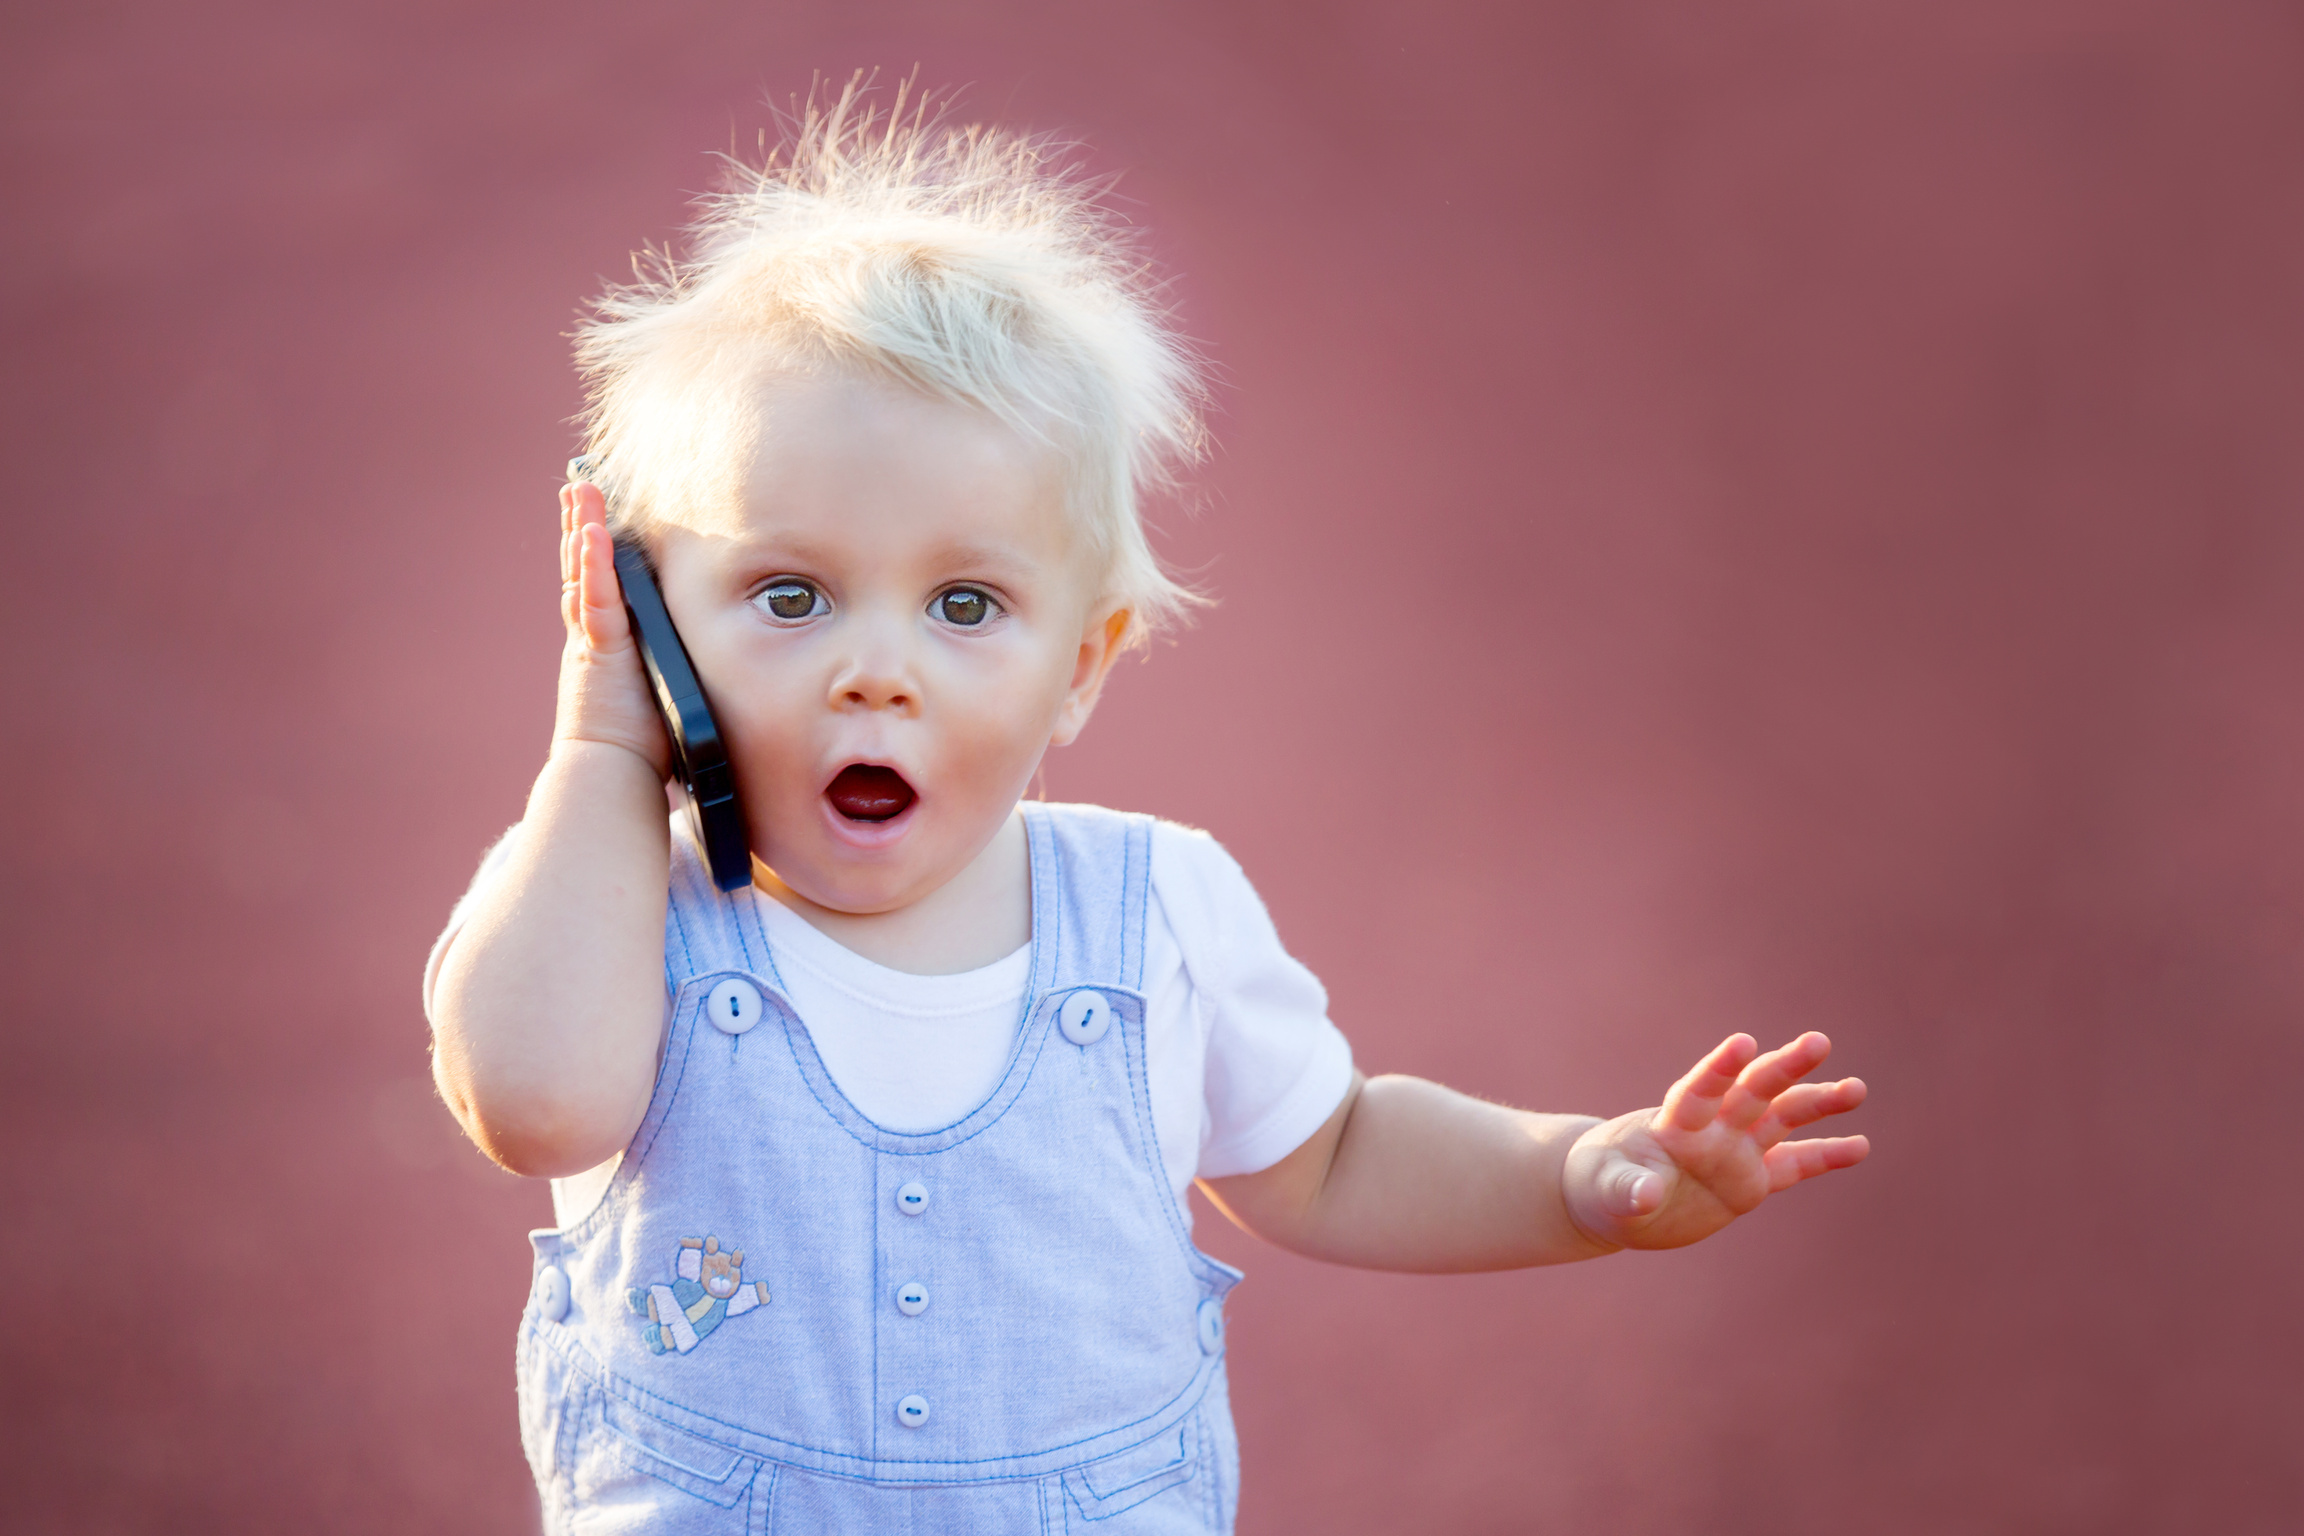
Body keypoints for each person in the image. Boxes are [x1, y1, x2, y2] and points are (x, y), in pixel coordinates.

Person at [424, 83, 1869, 1535]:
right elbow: (535, 1103)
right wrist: (609, 744)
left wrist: (1580, 1178)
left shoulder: (1158, 911)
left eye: (967, 603)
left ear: (1083, 668)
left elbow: (1338, 1155)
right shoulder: (610, 896)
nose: (877, 672)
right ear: (650, 620)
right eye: (787, 595)